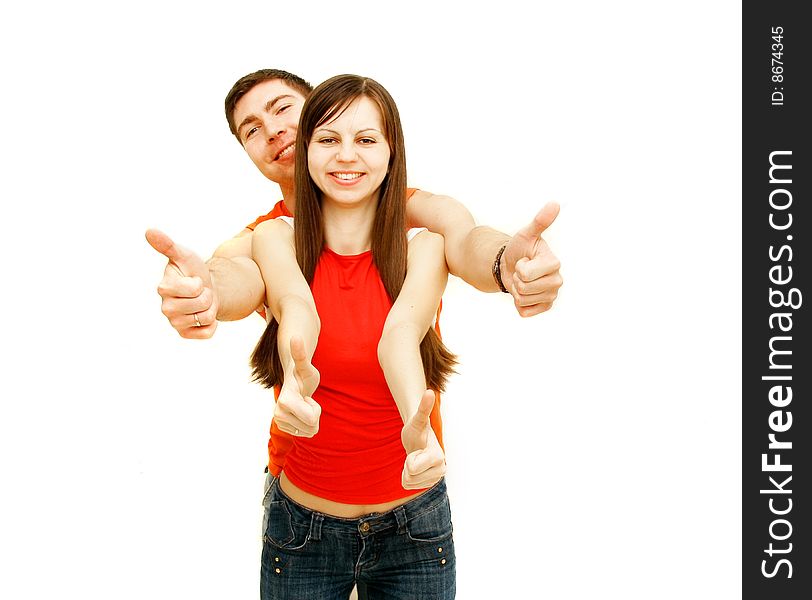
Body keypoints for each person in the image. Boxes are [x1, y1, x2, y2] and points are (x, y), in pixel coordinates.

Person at [146, 69, 562, 341]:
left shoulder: (412, 209)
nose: (272, 130)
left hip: (414, 469)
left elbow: (466, 239)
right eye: (251, 130)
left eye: (282, 109)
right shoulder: (263, 237)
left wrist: (504, 263)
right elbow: (233, 274)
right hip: (297, 469)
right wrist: (204, 291)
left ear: (319, 112)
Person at [250, 73, 457, 600]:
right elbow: (297, 309)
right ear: (307, 150)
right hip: (304, 528)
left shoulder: (424, 246)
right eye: (328, 140)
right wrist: (296, 380)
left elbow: (400, 337)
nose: (347, 156)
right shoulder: (272, 237)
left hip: (415, 525)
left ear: (392, 152)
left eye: (366, 140)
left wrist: (420, 428)